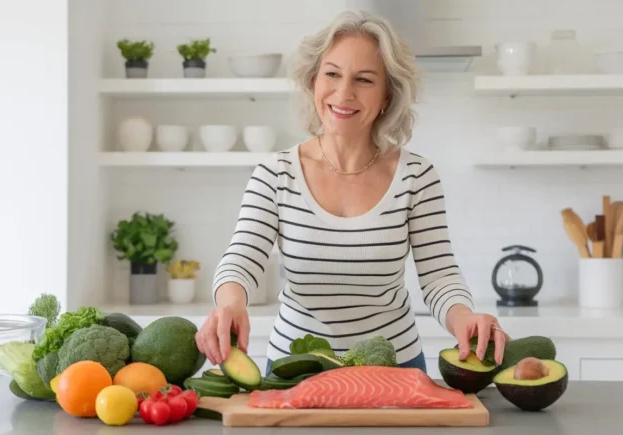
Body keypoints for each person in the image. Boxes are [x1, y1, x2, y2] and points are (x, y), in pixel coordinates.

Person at [195, 9, 509, 375]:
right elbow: (241, 260)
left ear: (387, 97)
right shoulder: (275, 174)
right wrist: (231, 305)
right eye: (331, 74)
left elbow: (439, 276)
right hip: (295, 368)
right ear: (313, 81)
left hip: (394, 366)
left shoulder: (415, 176)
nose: (343, 93)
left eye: (363, 79)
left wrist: (465, 319)